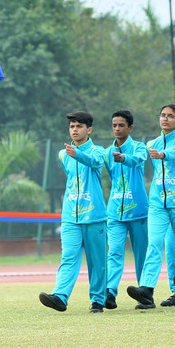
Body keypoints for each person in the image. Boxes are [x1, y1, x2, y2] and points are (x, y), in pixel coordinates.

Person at [127, 104, 175, 312]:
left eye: (170, 116)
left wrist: (164, 154)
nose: (165, 119)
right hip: (157, 203)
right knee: (154, 243)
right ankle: (147, 289)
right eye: (163, 115)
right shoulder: (152, 143)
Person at [39, 111, 108, 313]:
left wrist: (77, 154)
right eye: (72, 126)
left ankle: (98, 300)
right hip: (70, 216)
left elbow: (95, 163)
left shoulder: (98, 151)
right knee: (68, 257)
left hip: (94, 215)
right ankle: (60, 296)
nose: (75, 130)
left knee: (97, 261)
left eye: (79, 126)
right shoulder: (63, 155)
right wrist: (73, 154)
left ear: (89, 129)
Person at [103, 111, 149, 310]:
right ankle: (110, 292)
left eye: (121, 125)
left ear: (130, 128)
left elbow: (139, 160)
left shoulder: (139, 147)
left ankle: (145, 294)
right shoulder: (107, 153)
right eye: (114, 125)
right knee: (113, 252)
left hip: (138, 210)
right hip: (115, 211)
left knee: (142, 254)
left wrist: (124, 158)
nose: (117, 129)